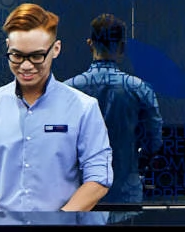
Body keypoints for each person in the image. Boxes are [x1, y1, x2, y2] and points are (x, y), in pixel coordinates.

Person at [0, 2, 111, 213]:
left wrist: (59, 222)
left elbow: (99, 177)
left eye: (36, 56)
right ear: (7, 47)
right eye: (17, 55)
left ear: (55, 49)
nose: (26, 66)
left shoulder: (84, 108)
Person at [66, 13, 163, 204]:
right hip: (125, 194)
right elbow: (154, 143)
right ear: (122, 46)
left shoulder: (68, 90)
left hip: (80, 197)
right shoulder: (140, 89)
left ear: (90, 43)